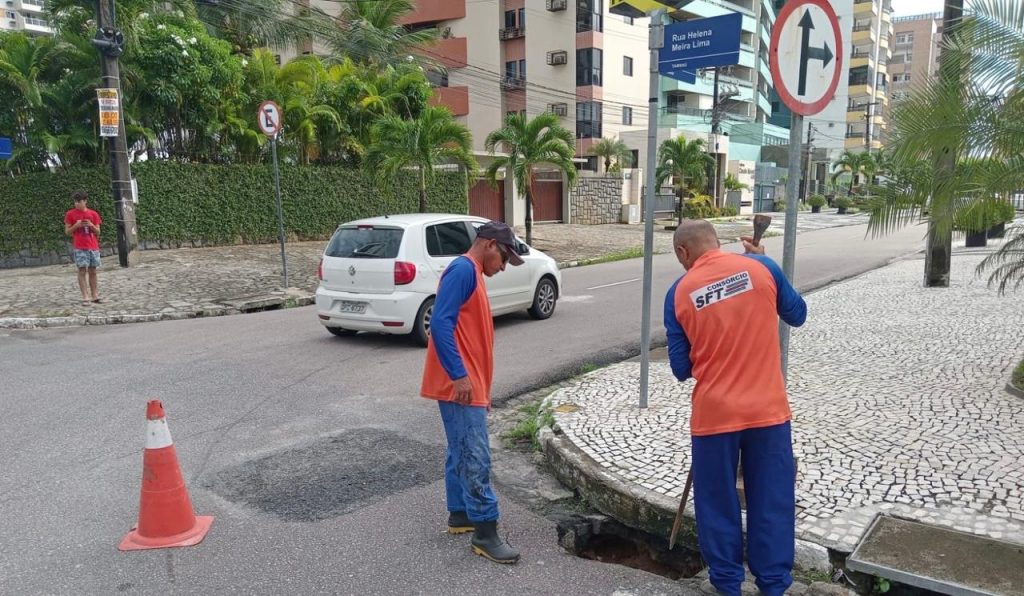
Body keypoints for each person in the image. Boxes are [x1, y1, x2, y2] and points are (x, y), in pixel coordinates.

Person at [663, 220, 807, 596]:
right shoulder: (764, 268)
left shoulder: (678, 292)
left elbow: (680, 368)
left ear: (683, 252)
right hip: (768, 412)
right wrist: (761, 268)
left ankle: (728, 586)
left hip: (715, 416)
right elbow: (797, 314)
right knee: (772, 499)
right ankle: (773, 586)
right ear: (716, 243)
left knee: (717, 503)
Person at [420, 220, 525, 565]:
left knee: (460, 450)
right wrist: (460, 376)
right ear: (490, 245)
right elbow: (440, 323)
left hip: (467, 384)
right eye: (505, 258)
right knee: (475, 455)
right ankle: (485, 532)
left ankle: (461, 513)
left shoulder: (472, 272)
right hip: (461, 386)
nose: (504, 266)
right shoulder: (464, 270)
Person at [63, 191, 103, 304]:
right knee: (82, 270)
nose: (76, 204)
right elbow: (67, 232)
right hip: (80, 246)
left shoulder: (93, 214)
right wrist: (76, 225)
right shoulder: (70, 214)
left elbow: (98, 232)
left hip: (93, 246)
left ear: (85, 201)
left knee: (93, 271)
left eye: (79, 201)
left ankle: (95, 295)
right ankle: (85, 296)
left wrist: (91, 225)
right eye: (75, 202)